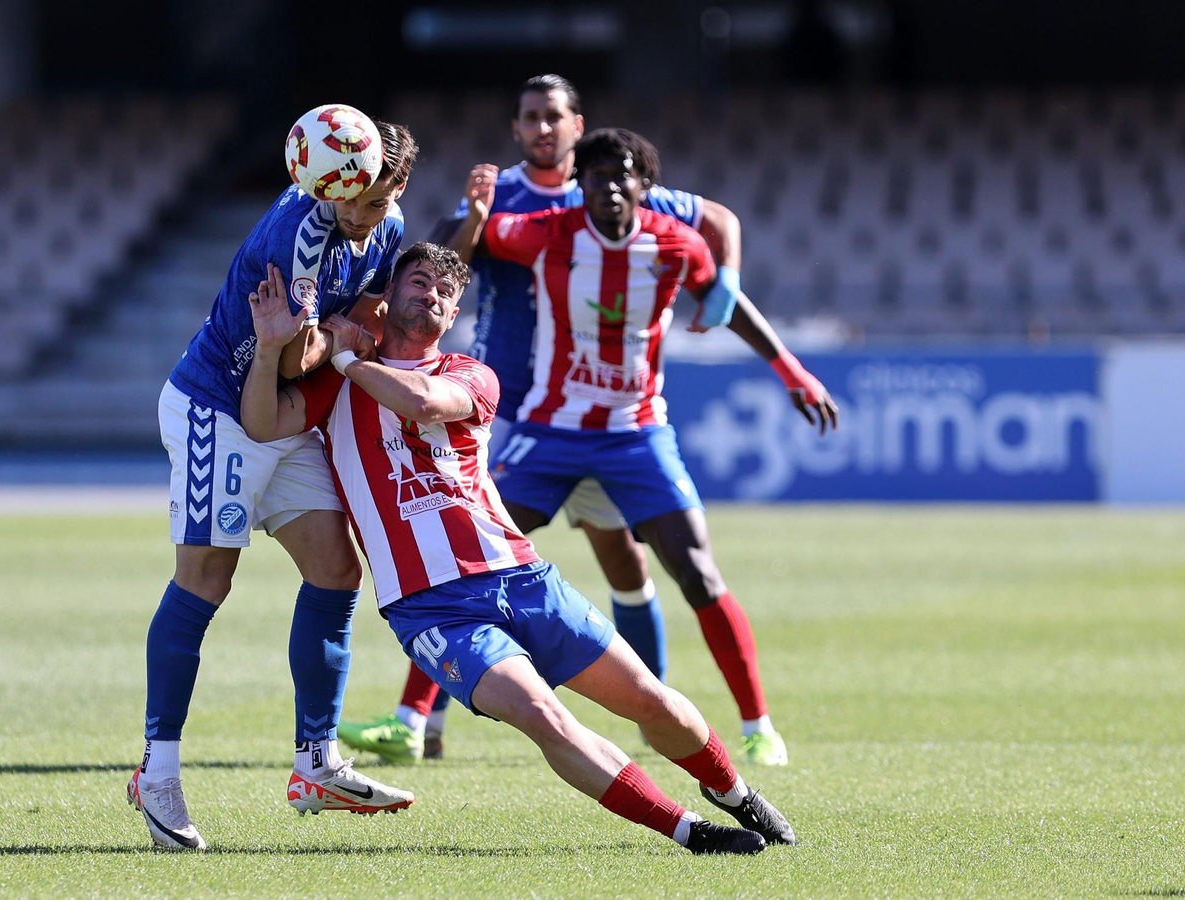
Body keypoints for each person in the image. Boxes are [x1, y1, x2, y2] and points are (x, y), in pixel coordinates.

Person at [239, 241, 796, 855]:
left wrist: (347, 358)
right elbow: (262, 423)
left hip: (521, 577)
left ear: (454, 316)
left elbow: (422, 402)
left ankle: (736, 793)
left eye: (445, 293)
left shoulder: (466, 374)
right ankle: (689, 830)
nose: (431, 296)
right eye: (418, 282)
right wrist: (267, 349)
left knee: (652, 701)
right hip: (431, 609)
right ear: (388, 294)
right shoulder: (335, 384)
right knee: (544, 717)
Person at [341, 75, 830, 767]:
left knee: (675, 568)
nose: (606, 188)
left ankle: (749, 724)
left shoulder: (666, 232)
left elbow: (720, 224)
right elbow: (448, 254)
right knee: (468, 553)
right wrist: (473, 216)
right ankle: (415, 720)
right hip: (544, 426)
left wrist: (780, 356)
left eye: (555, 117)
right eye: (530, 117)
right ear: (519, 129)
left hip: (636, 433)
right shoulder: (542, 226)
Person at [128, 115, 417, 851]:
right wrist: (335, 339)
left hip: (284, 421)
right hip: (216, 409)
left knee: (336, 570)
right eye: (347, 198)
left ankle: (316, 764)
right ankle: (157, 773)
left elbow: (356, 316)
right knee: (205, 582)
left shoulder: (387, 228)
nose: (358, 213)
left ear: (394, 188)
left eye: (375, 200)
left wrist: (333, 334)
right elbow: (288, 358)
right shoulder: (297, 237)